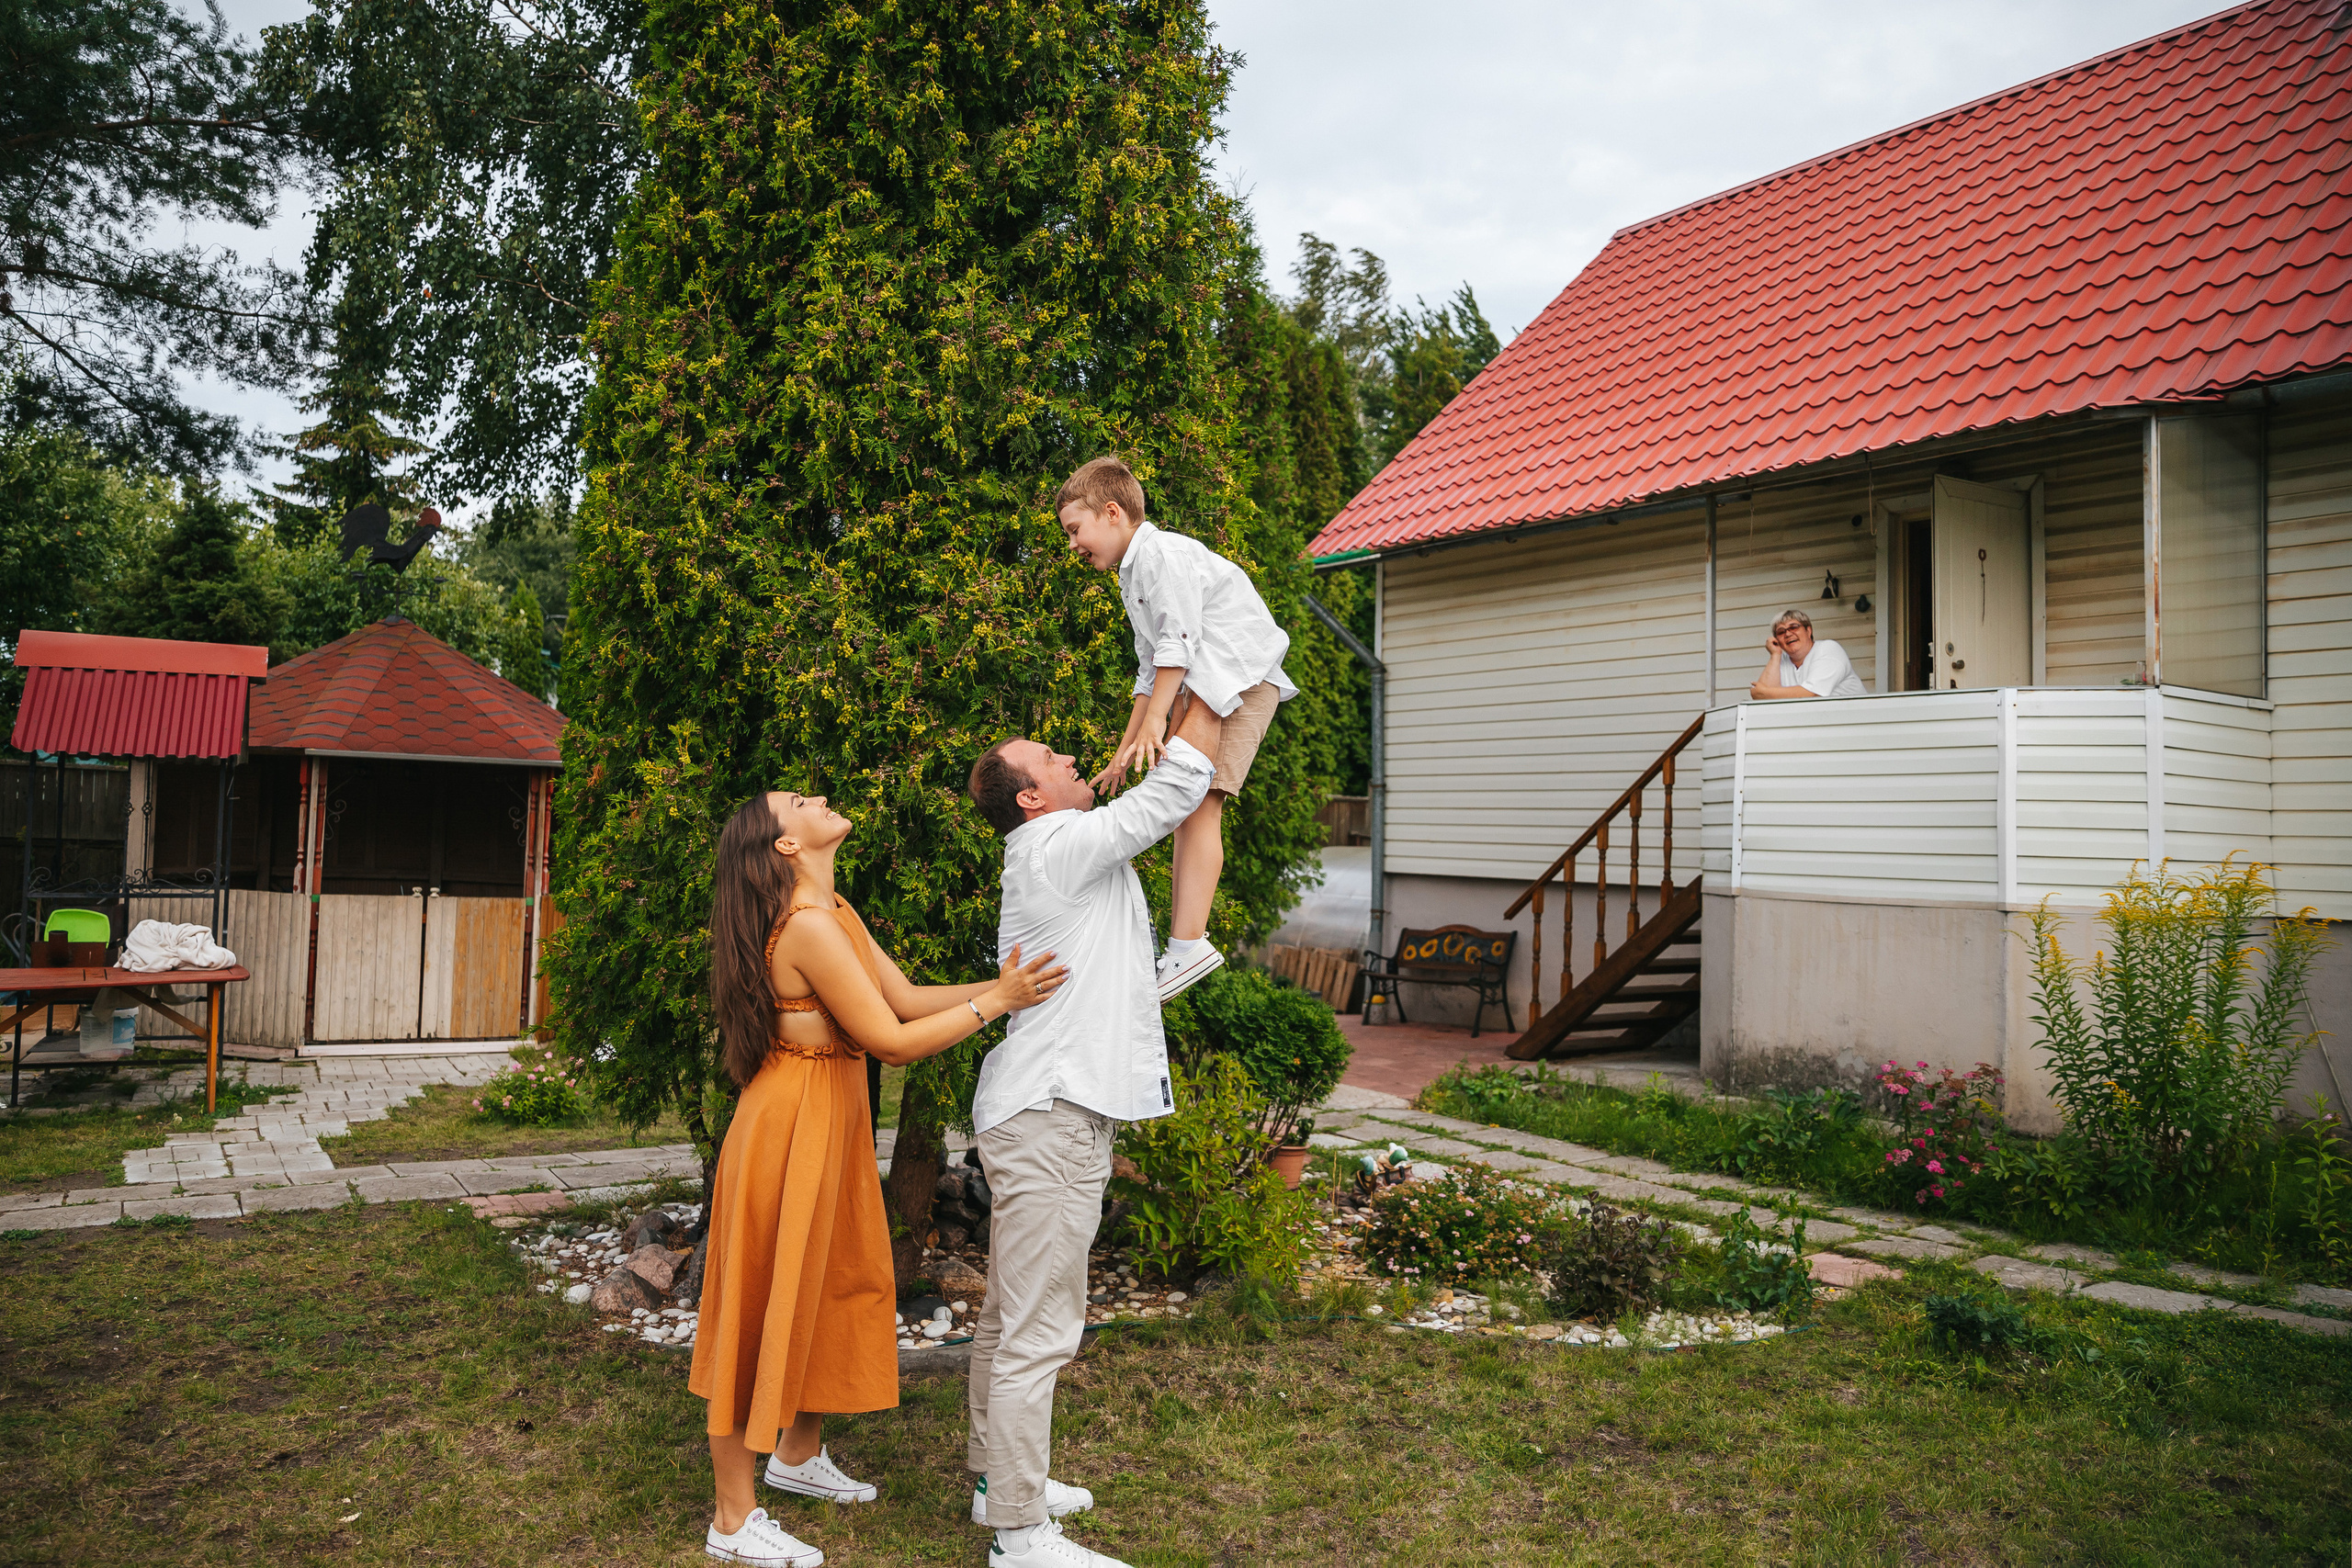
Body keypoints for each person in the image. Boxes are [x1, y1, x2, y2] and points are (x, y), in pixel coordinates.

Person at [693, 788, 1069, 1568]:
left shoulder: (837, 910)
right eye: (801, 801)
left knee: (832, 1282)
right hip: (785, 1129)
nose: (820, 797)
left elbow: (899, 1000)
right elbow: (889, 1041)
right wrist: (997, 1002)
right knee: (758, 1308)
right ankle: (731, 1519)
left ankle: (796, 1457)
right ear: (786, 845)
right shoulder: (806, 927)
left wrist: (997, 993)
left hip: (826, 1123)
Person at [960, 694, 1223, 1568]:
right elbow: (1174, 791)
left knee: (1007, 1316)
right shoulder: (1060, 846)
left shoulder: (1050, 849)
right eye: (1055, 760)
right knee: (1039, 1329)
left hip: (1037, 1107)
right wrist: (1206, 691)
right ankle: (1020, 1535)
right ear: (1029, 797)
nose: (1074, 759)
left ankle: (998, 1483)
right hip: (1054, 1115)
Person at [1057, 455, 1296, 1001]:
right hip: (1212, 682)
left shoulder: (1160, 554)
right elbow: (1149, 668)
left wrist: (1161, 719)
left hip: (1242, 681)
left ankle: (1189, 947)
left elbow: (1178, 645)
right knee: (1188, 805)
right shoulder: (1131, 572)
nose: (1072, 544)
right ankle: (1184, 945)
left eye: (1076, 530)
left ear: (1112, 512)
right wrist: (1126, 747)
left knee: (1200, 804)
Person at [1748, 608, 1869, 700]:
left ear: (1808, 630)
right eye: (1781, 632)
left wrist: (1764, 692)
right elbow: (1762, 702)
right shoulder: (1781, 660)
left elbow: (1809, 694)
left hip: (1854, 725)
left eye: (1794, 627)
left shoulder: (1828, 649)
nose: (1788, 634)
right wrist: (1775, 655)